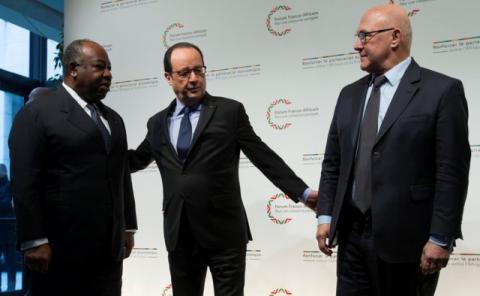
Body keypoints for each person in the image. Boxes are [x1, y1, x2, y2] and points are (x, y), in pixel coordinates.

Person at [129, 42, 317, 296]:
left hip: (224, 233)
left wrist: (303, 193)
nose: (194, 79)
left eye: (199, 70)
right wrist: (95, 153)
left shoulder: (229, 112)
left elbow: (263, 156)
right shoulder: (157, 123)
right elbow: (137, 160)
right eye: (184, 73)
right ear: (168, 78)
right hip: (180, 233)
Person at [316, 4, 470, 296]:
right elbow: (333, 163)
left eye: (364, 36)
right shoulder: (348, 95)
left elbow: (451, 171)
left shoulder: (442, 91)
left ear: (395, 37)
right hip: (350, 236)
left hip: (410, 242)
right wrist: (326, 216)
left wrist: (441, 236)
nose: (356, 45)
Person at [8, 39, 137, 296]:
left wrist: (127, 226)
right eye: (100, 67)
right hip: (59, 251)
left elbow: (120, 175)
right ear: (73, 69)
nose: (108, 74)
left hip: (108, 252)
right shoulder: (37, 113)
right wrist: (34, 241)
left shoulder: (113, 119)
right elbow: (24, 181)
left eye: (109, 68)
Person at [0, 164, 16, 292]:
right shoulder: (8, 186)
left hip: (8, 228)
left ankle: (11, 287)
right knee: (10, 261)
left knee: (10, 261)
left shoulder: (9, 185)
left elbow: (5, 204)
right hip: (5, 227)